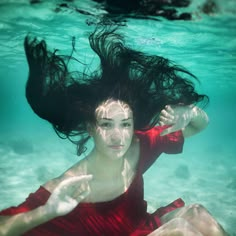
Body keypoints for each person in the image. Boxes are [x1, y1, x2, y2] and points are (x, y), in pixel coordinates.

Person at [0, 26, 228, 236]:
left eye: (125, 124)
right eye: (106, 124)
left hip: (141, 229)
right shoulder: (68, 185)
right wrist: (47, 212)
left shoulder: (138, 145)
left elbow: (200, 124)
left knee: (197, 213)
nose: (118, 136)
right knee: (180, 230)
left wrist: (189, 113)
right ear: (90, 127)